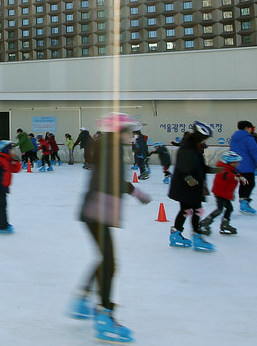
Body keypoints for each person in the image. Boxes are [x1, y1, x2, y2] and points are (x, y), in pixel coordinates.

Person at [71, 113, 151, 343]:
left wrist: (133, 191)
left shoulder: (108, 146)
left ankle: (82, 300)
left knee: (105, 260)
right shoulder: (110, 149)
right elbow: (111, 181)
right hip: (98, 211)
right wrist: (134, 192)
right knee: (110, 262)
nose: (133, 135)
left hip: (96, 210)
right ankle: (104, 316)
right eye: (129, 130)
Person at [168, 122, 217, 252]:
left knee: (186, 210)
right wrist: (188, 178)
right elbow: (183, 165)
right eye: (205, 137)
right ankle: (196, 237)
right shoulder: (187, 147)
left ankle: (176, 234)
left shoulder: (195, 147)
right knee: (196, 210)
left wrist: (216, 170)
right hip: (187, 187)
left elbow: (201, 167)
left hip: (192, 187)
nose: (206, 141)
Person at [198, 151, 247, 235]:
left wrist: (239, 178)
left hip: (225, 193)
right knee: (219, 209)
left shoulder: (232, 169)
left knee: (229, 209)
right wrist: (237, 177)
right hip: (220, 193)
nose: (237, 164)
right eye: (234, 162)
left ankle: (225, 225)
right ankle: (204, 223)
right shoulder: (222, 168)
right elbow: (226, 175)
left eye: (237, 162)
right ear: (228, 162)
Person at [229, 120, 257, 214]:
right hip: (247, 166)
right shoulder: (249, 138)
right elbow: (254, 152)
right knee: (250, 184)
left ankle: (243, 202)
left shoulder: (234, 138)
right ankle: (244, 203)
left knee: (243, 183)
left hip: (236, 166)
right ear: (247, 128)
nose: (251, 130)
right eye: (251, 128)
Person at [0, 140, 22, 233]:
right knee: (2, 205)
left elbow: (15, 170)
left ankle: (3, 224)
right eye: (10, 150)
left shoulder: (7, 159)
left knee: (3, 205)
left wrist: (16, 161)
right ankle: (2, 226)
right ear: (5, 150)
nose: (12, 151)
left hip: (3, 186)